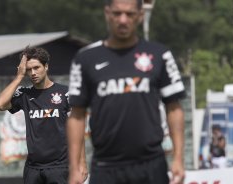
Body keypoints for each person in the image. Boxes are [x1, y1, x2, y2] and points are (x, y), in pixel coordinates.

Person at [67, 0, 186, 184]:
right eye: (117, 13)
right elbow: (76, 116)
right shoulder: (85, 59)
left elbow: (174, 108)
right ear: (107, 13)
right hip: (106, 167)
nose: (123, 20)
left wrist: (178, 158)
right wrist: (75, 167)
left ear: (140, 16)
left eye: (129, 14)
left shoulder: (159, 55)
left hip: (151, 165)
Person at [0, 46, 88, 184]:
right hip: (33, 169)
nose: (32, 73)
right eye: (28, 70)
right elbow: (0, 104)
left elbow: (77, 131)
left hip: (60, 167)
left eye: (36, 68)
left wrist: (82, 163)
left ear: (46, 67)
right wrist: (19, 77)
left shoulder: (65, 94)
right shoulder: (24, 95)